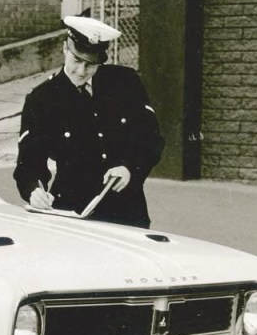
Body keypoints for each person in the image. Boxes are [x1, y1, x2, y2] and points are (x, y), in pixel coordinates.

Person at [13, 16, 164, 228]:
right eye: (76, 61)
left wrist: (129, 167)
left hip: (127, 212)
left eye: (91, 65)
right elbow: (29, 164)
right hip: (72, 213)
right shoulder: (42, 99)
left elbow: (150, 139)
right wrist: (35, 192)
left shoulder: (125, 83)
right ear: (65, 48)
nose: (81, 71)